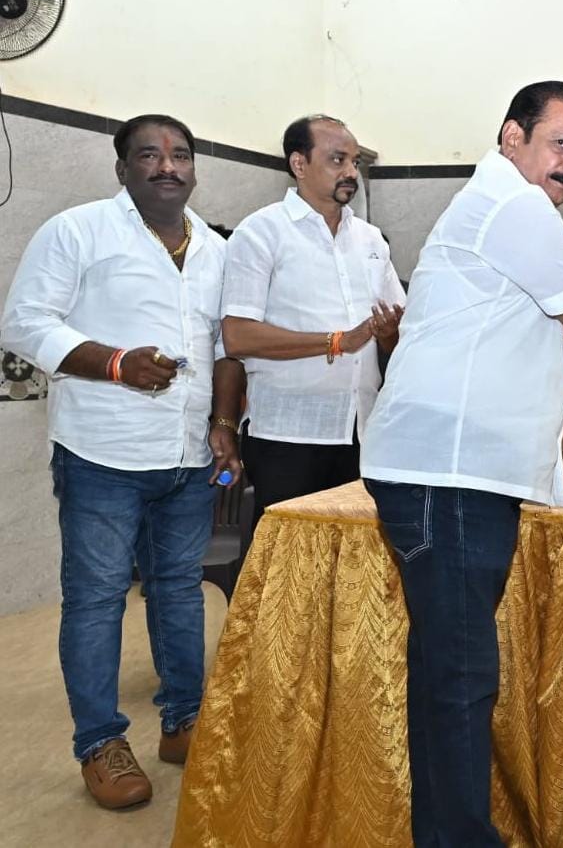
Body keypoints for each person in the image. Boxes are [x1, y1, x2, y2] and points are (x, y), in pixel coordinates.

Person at [360, 81, 563, 846]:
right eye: (560, 143)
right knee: (460, 675)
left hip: (449, 470)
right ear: (512, 136)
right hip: (449, 472)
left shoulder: (498, 206)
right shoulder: (515, 206)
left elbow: (539, 340)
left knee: (449, 670)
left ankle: (448, 832)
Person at [1, 114, 244, 810]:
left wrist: (223, 424)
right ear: (122, 168)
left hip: (187, 456)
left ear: (194, 168)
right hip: (101, 453)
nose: (168, 166)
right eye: (149, 155)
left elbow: (225, 346)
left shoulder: (216, 249)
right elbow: (23, 321)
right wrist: (114, 363)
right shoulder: (78, 231)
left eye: (181, 155)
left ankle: (183, 719)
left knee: (178, 590)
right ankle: (100, 743)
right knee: (97, 597)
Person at [221, 115, 406, 551]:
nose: (350, 172)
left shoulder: (371, 240)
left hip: (361, 433)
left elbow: (398, 336)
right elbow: (238, 336)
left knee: (351, 565)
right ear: (299, 164)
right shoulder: (261, 232)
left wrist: (388, 334)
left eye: (354, 162)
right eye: (337, 160)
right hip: (288, 436)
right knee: (288, 563)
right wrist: (337, 341)